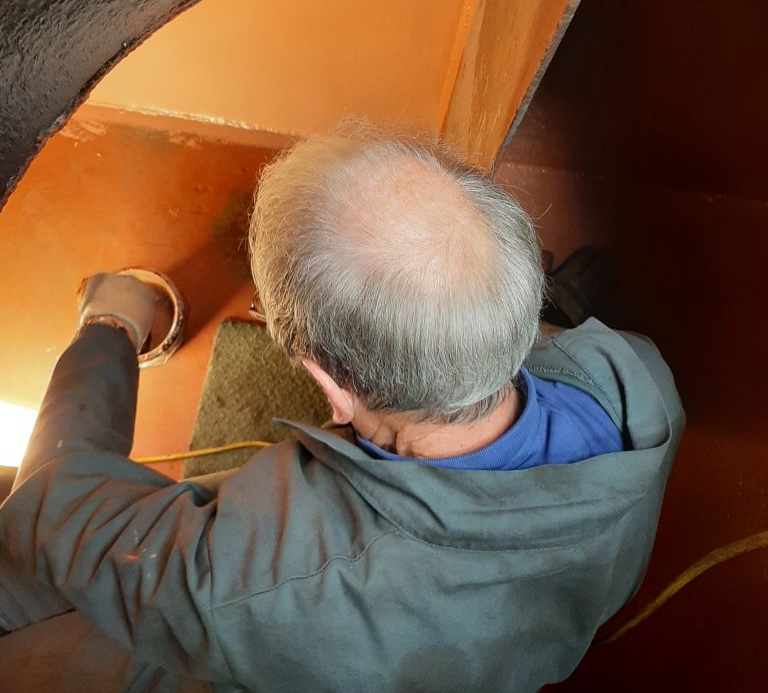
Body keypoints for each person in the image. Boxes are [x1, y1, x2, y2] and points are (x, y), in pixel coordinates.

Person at [0, 127, 684, 693]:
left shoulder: (256, 579)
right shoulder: (638, 381)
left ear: (329, 385)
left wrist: (109, 328)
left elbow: (53, 503)